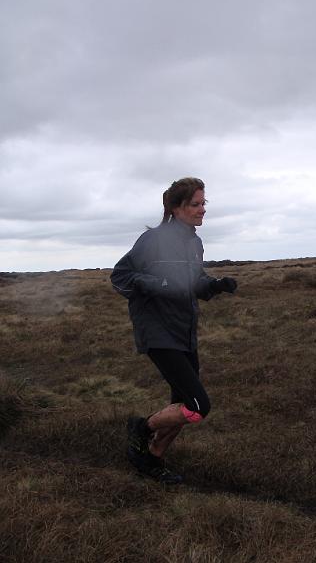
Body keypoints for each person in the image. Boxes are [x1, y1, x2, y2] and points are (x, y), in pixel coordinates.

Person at [110, 177, 237, 484]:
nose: (202, 210)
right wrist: (160, 284)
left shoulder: (194, 242)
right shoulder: (153, 240)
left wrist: (215, 286)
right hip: (157, 331)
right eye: (196, 204)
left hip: (184, 330)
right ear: (177, 208)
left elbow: (193, 282)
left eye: (204, 203)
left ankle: (152, 459)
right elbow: (121, 276)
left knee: (183, 406)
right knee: (198, 406)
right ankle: (141, 429)